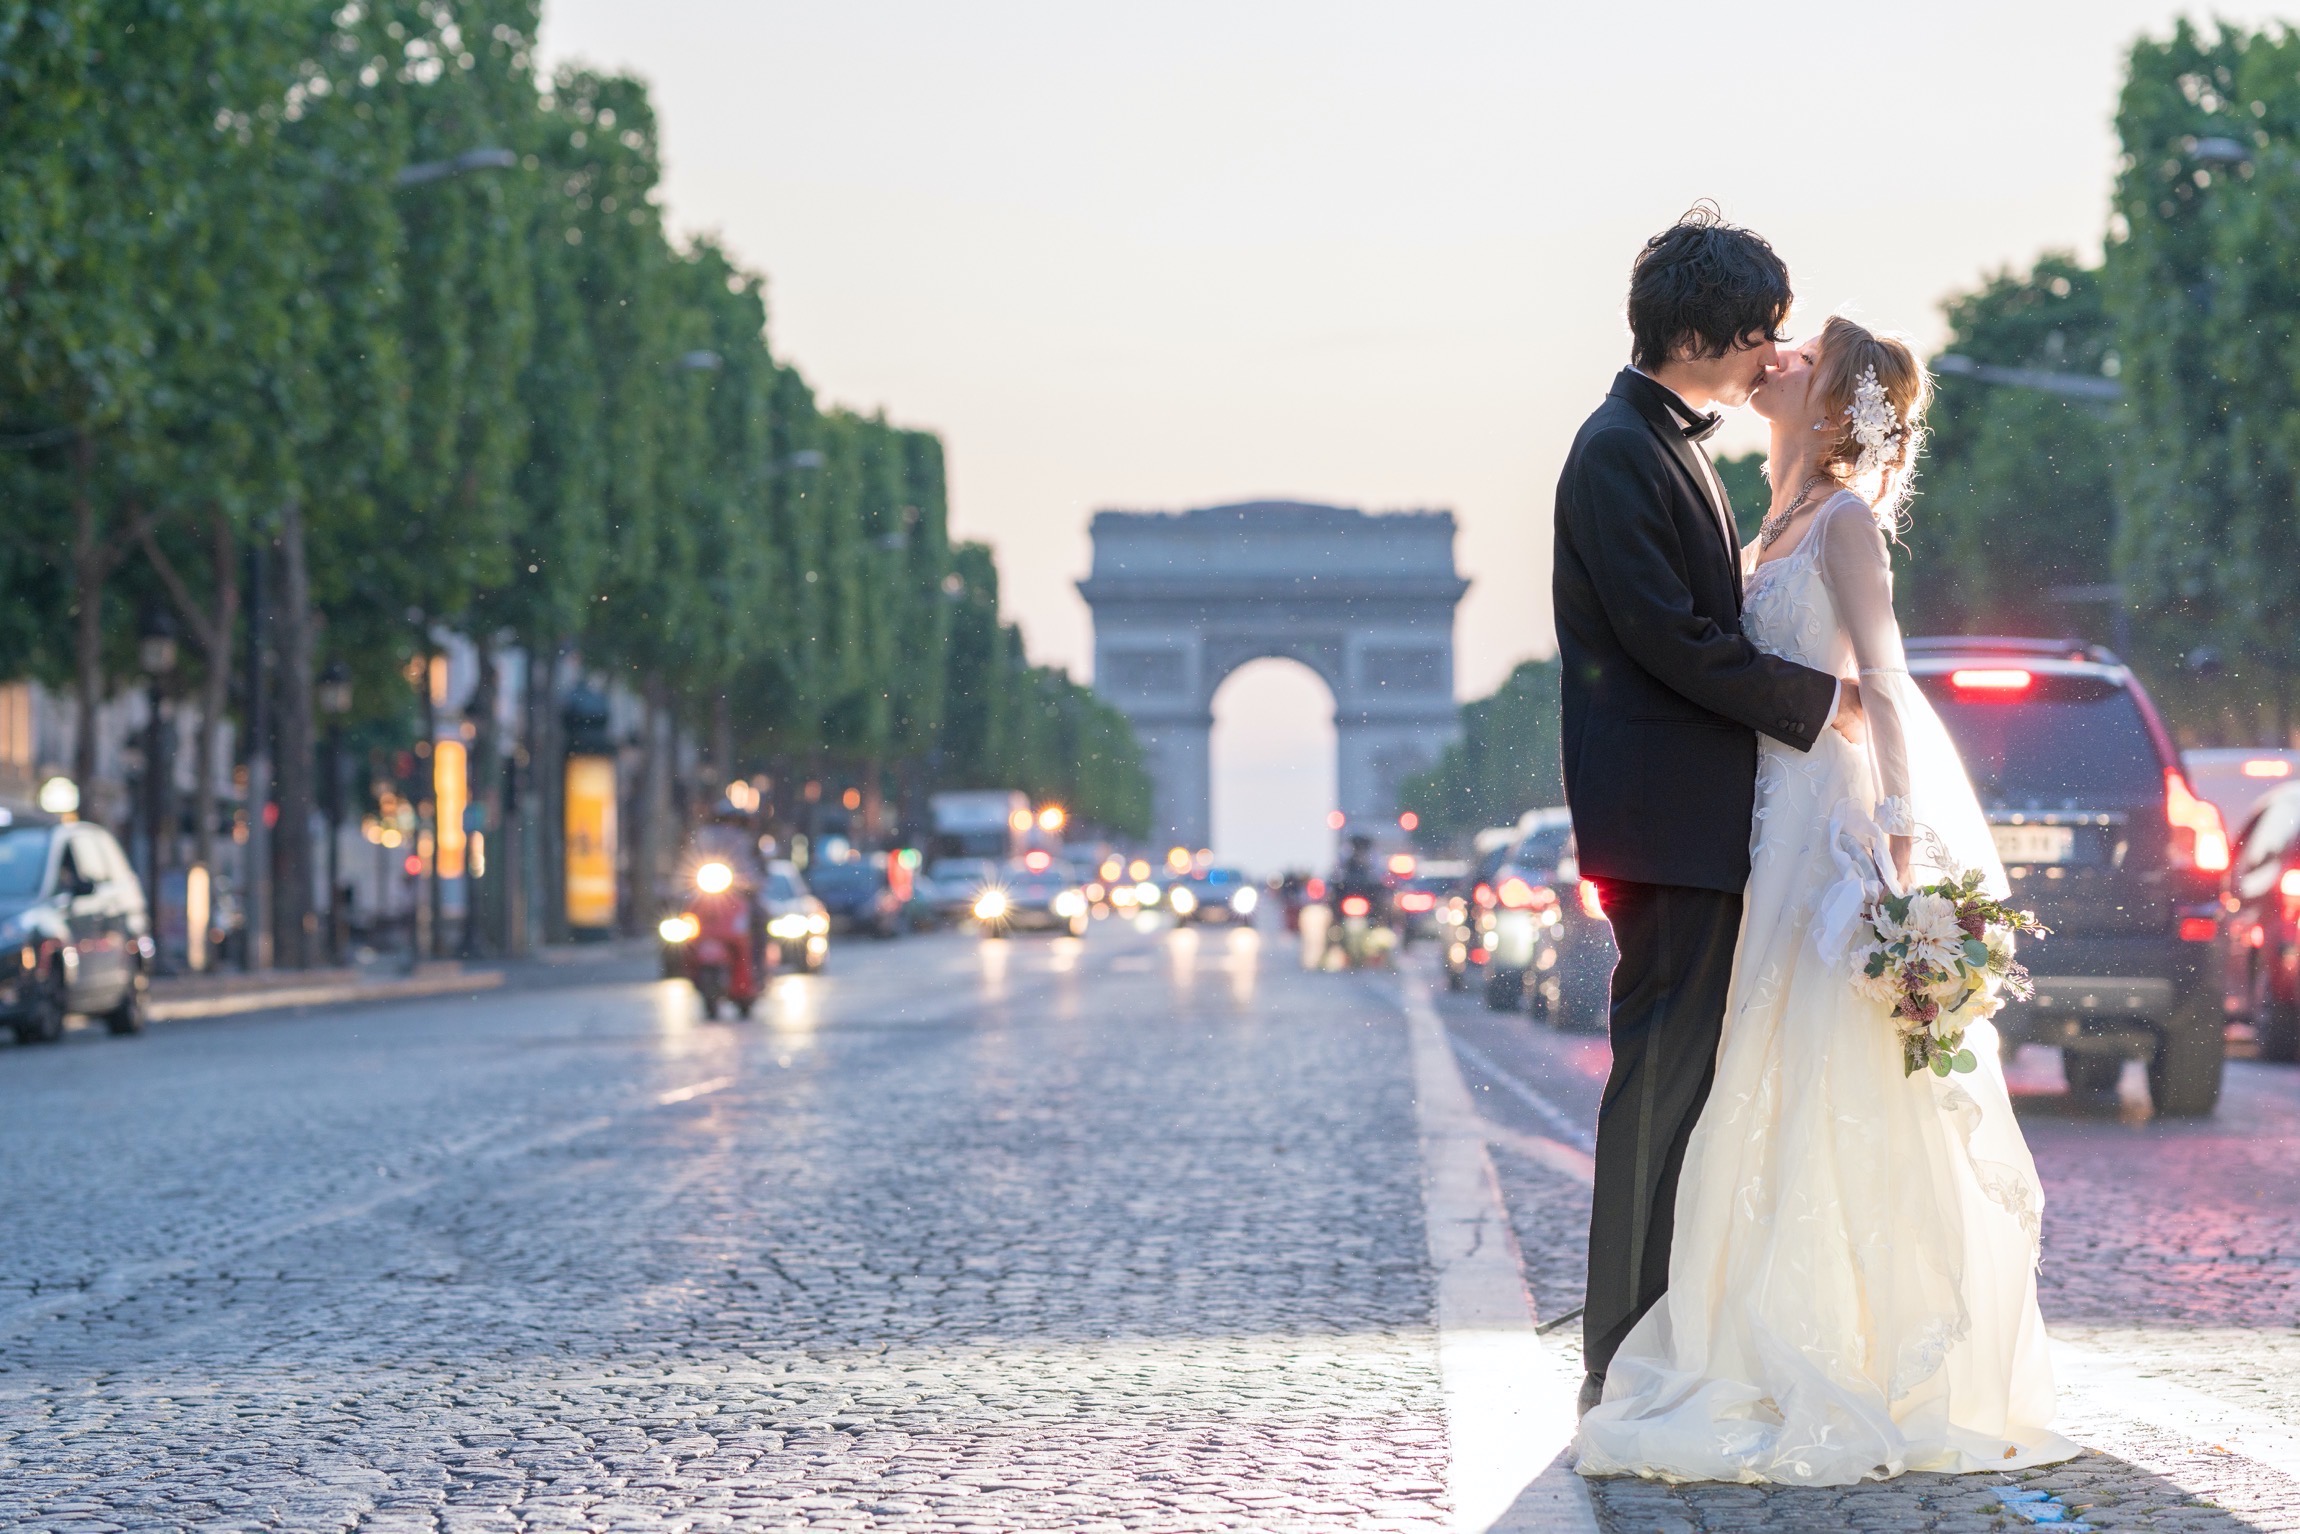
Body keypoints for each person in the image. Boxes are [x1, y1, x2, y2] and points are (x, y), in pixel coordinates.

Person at [1571, 306, 2079, 1482]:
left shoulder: (1842, 524)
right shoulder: (1774, 521)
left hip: (1825, 833)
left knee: (1810, 1073)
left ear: (1835, 396)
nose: (1775, 357)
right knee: (1761, 1071)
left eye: (1800, 353)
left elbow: (1886, 686)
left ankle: (1831, 1345)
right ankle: (1744, 1329)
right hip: (1764, 828)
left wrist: (1901, 845)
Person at [1552, 206, 1856, 1422]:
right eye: (1756, 334)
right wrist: (1821, 701)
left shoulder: (1655, 442)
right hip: (1664, 825)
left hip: (1682, 817)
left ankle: (1643, 1323)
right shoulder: (1620, 450)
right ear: (1700, 332)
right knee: (1657, 1081)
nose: (1765, 356)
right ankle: (1618, 1342)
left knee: (1679, 1083)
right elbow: (1670, 641)